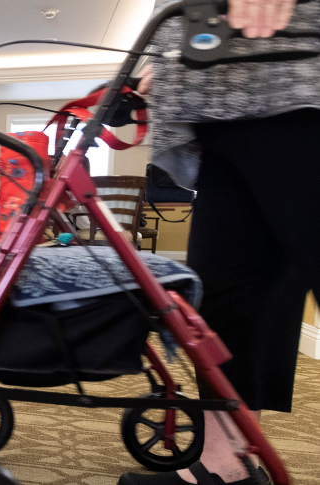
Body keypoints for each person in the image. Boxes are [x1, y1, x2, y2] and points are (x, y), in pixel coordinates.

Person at [119, 1, 320, 484]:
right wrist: (167, 64)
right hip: (218, 102)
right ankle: (220, 467)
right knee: (228, 301)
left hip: (293, 82)